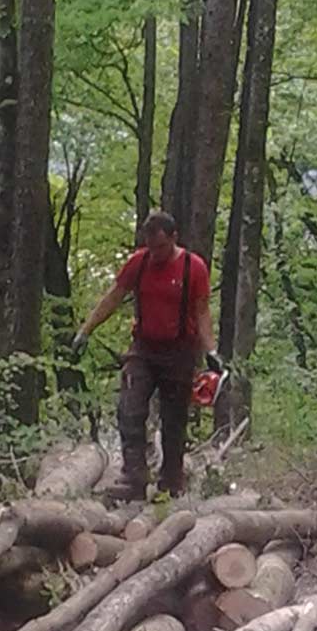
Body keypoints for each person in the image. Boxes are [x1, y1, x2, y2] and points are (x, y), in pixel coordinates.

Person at [71, 209, 217, 500]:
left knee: (174, 419)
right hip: (144, 349)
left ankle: (171, 481)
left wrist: (211, 350)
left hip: (180, 351)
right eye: (151, 246)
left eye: (161, 246)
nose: (156, 253)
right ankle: (134, 477)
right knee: (129, 408)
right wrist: (86, 330)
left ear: (174, 238)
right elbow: (114, 296)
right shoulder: (139, 263)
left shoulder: (194, 267)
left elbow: (202, 313)